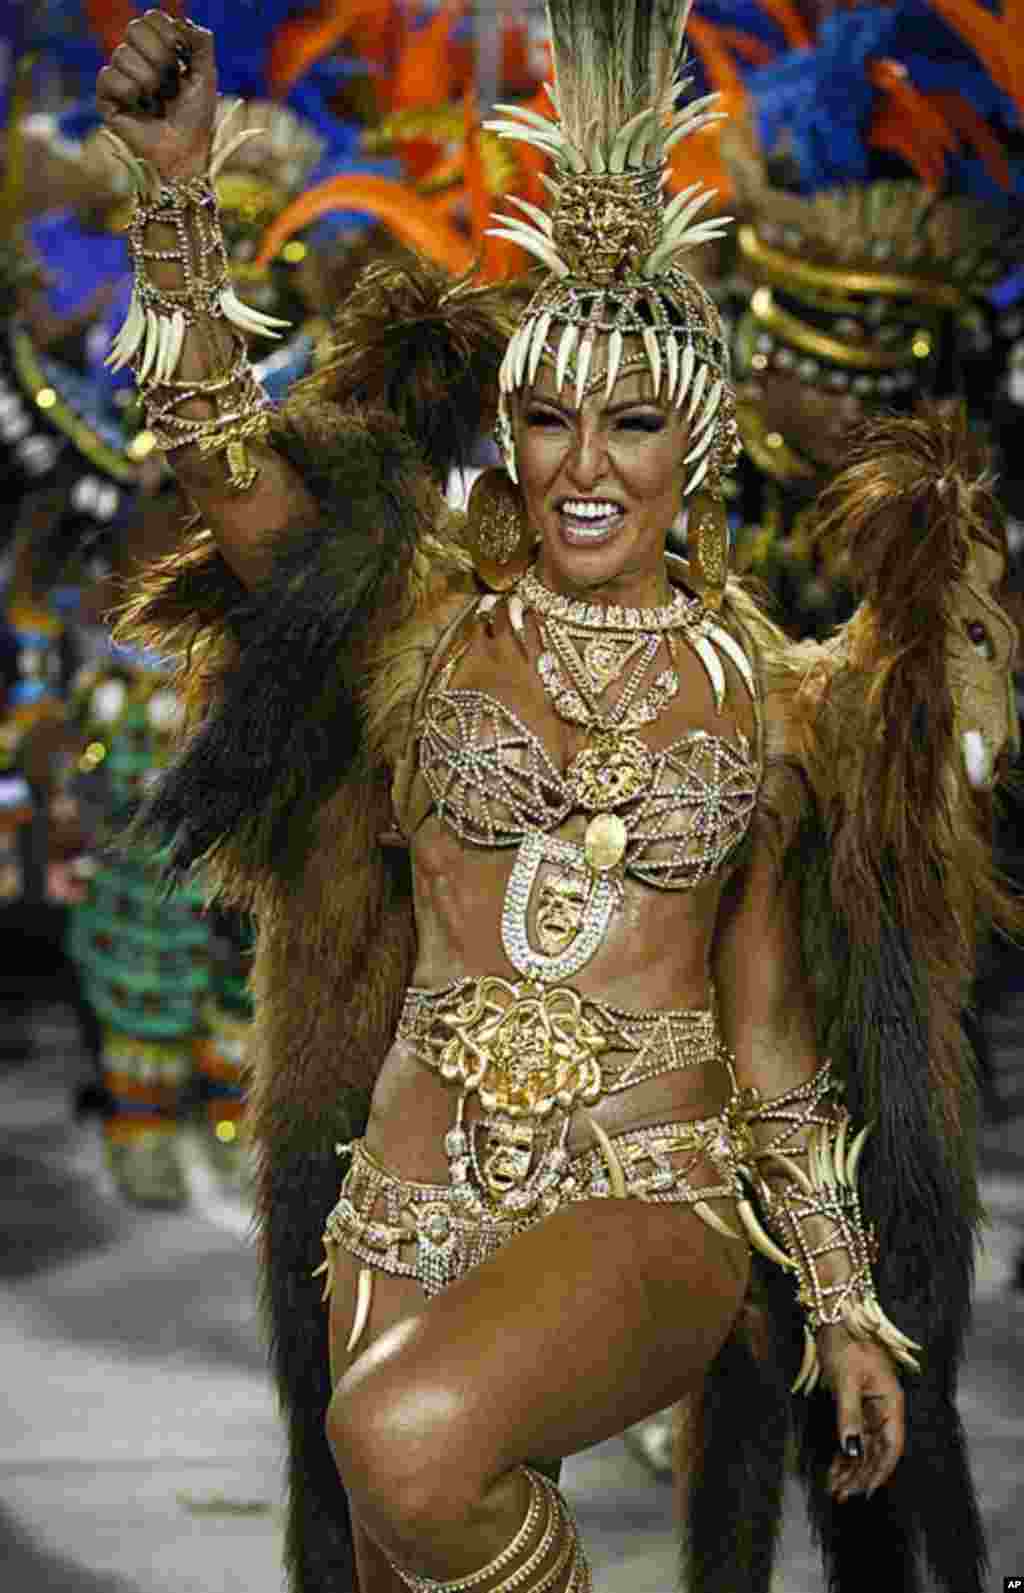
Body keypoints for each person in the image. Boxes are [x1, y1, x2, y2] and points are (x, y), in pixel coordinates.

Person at [95, 4, 1020, 1591]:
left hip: (649, 1198)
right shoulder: (423, 633)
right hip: (402, 1198)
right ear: (510, 434)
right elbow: (223, 466)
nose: (586, 462)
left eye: (635, 422)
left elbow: (777, 1032)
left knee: (401, 1445)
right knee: (393, 1534)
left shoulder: (773, 700)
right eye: (548, 416)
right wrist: (174, 192)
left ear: (700, 442)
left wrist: (845, 1299)